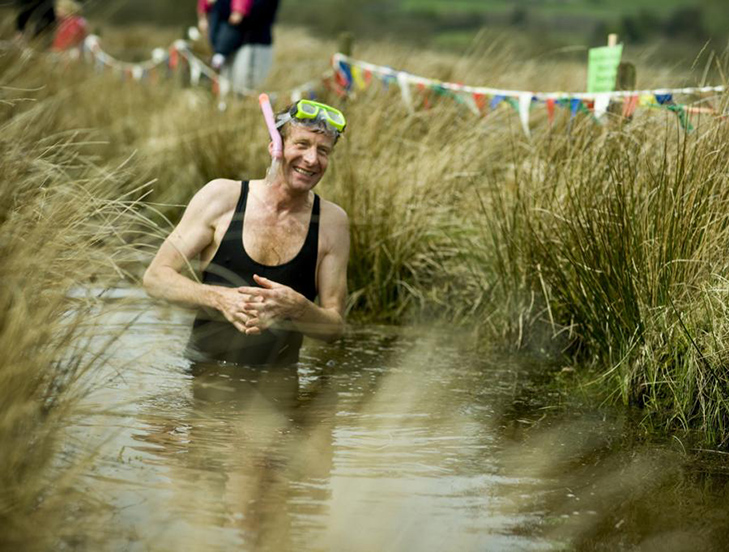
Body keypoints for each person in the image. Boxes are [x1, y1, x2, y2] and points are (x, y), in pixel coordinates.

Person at [143, 100, 350, 365]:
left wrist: (299, 307)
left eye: (323, 151)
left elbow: (334, 329)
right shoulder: (221, 197)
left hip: (280, 390)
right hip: (204, 379)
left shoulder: (333, 223)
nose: (312, 159)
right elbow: (155, 278)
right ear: (275, 146)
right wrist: (219, 298)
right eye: (302, 145)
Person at [197, 0, 252, 69]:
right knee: (213, 35)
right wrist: (203, 16)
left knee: (230, 31)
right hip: (216, 9)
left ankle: (219, 57)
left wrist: (239, 9)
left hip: (231, 11)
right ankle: (216, 57)